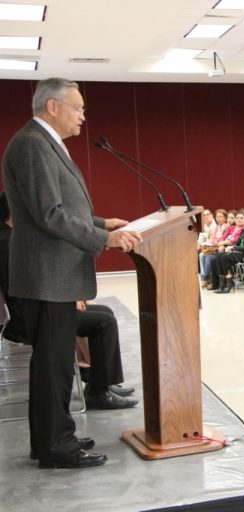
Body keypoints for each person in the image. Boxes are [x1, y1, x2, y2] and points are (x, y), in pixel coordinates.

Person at [2, 78, 142, 469]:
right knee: (53, 365)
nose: (83, 116)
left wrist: (102, 221)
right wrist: (103, 238)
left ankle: (52, 437)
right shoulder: (33, 144)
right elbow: (49, 214)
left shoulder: (41, 142)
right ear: (52, 106)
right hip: (48, 276)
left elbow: (53, 206)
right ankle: (54, 446)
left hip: (54, 275)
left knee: (57, 363)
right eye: (78, 108)